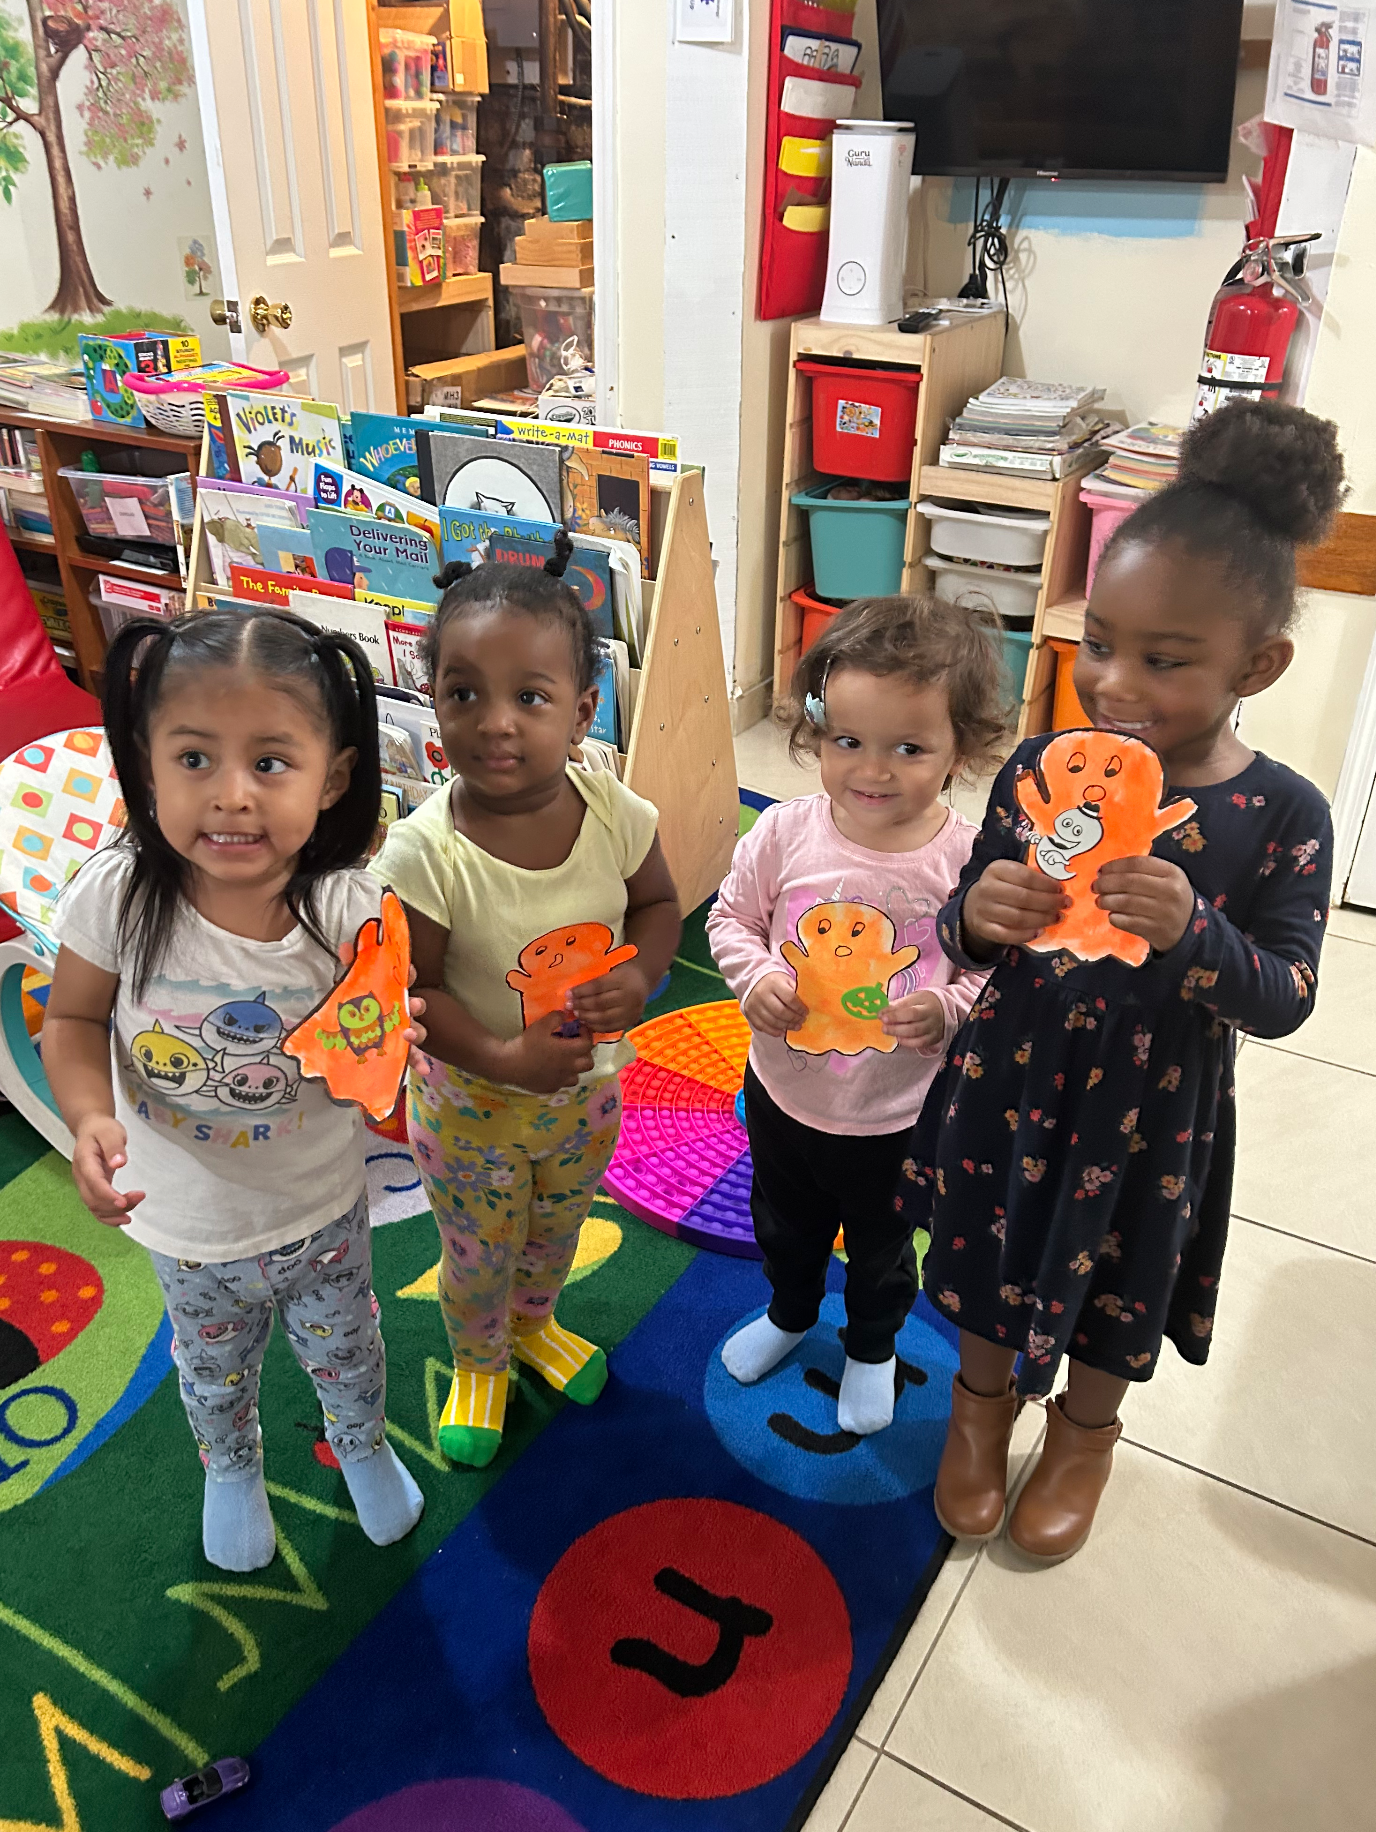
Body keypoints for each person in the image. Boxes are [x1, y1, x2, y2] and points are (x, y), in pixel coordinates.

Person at [906, 400, 1345, 1562]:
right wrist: (977, 912)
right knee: (990, 1245)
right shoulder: (1046, 769)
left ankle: (1083, 1434)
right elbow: (967, 928)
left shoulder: (1282, 814)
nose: (1112, 680)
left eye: (1163, 658)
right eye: (1098, 640)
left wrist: (1196, 934)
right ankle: (978, 1405)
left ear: (1256, 664)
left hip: (1152, 1113)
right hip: (1014, 1074)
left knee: (1117, 1277)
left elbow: (1287, 990)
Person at [43, 609, 426, 1573]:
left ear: (333, 775)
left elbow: (375, 1034)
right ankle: (231, 1466)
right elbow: (76, 1021)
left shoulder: (346, 906)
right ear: (145, 761)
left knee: (349, 1350)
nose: (231, 798)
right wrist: (90, 1116)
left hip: (322, 1205)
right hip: (189, 1223)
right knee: (213, 1369)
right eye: (195, 759)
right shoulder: (117, 896)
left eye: (270, 763)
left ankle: (365, 1443)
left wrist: (394, 1043)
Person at [372, 535, 681, 1469]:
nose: (496, 722)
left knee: (557, 1226)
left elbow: (659, 905)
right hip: (471, 1111)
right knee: (475, 1251)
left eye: (531, 697)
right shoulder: (426, 853)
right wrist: (503, 1059)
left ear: (584, 710)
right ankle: (478, 1360)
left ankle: (538, 1323)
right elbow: (413, 989)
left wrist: (642, 974)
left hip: (587, 1095)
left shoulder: (615, 811)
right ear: (434, 704)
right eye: (465, 693)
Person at [707, 596, 1005, 1435]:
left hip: (899, 1118)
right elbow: (728, 920)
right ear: (815, 731)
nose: (873, 771)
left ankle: (872, 1349)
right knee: (785, 1225)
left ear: (960, 752)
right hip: (785, 1096)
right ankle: (791, 1312)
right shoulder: (784, 834)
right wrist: (756, 973)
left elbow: (998, 978)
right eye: (848, 742)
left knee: (881, 1252)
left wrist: (948, 1007)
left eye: (909, 748)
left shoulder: (970, 860)